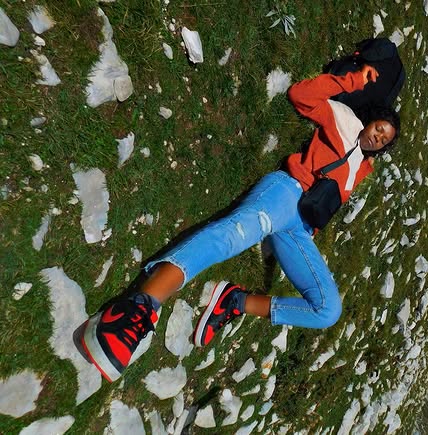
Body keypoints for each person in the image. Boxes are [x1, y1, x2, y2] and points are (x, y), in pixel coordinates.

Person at [80, 65, 401, 382]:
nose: (378, 137)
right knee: (231, 237)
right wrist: (352, 80)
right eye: (379, 128)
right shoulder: (344, 120)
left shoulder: (363, 167)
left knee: (328, 310)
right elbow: (301, 96)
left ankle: (234, 301)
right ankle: (137, 307)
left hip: (300, 230)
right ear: (370, 120)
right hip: (287, 193)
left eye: (384, 139)